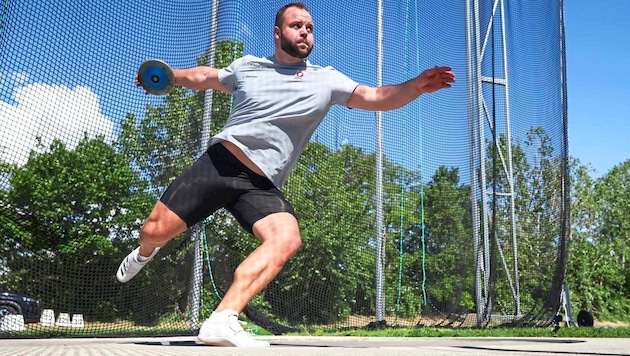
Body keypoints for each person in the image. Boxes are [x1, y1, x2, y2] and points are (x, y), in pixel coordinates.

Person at [117, 1, 455, 348]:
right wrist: (171, 77)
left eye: (309, 27)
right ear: (278, 32)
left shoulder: (326, 79)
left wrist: (415, 86)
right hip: (220, 165)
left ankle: (222, 319)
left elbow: (375, 96)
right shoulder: (248, 67)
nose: (305, 32)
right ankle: (145, 252)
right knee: (153, 231)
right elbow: (204, 76)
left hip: (261, 185)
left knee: (287, 238)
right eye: (297, 25)